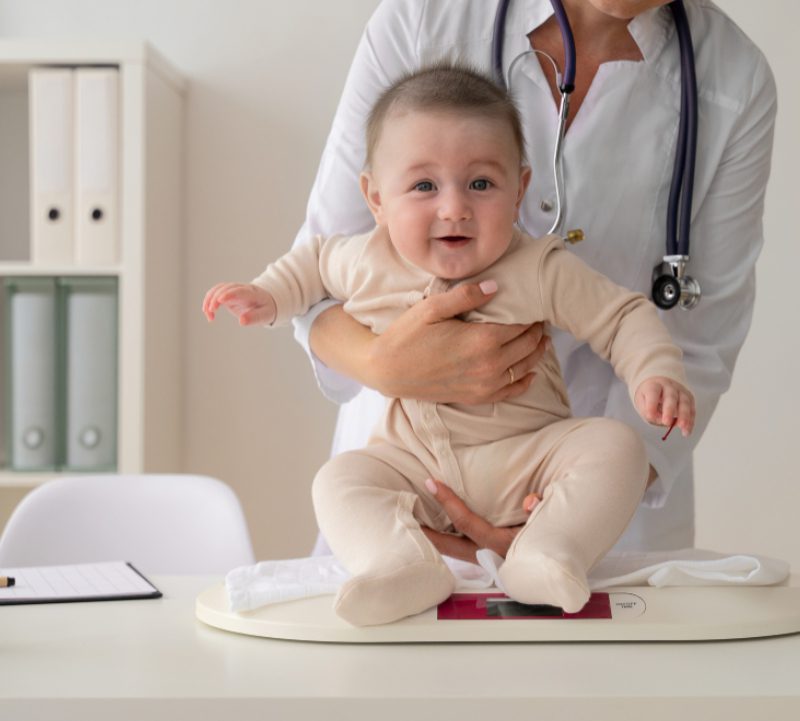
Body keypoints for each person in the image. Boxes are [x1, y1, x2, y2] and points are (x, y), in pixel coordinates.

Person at [204, 63, 695, 625]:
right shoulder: (365, 259)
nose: (454, 207)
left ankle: (547, 551)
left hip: (527, 460)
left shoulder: (539, 267)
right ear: (375, 198)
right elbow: (310, 264)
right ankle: (402, 564)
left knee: (617, 447)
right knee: (340, 480)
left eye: (481, 183)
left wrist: (655, 372)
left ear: (520, 190)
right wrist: (267, 295)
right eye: (423, 186)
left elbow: (623, 315)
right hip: (416, 468)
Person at [286, 0, 777, 559]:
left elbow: (696, 343)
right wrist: (382, 364)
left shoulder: (733, 79)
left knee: (571, 602)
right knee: (387, 582)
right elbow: (321, 271)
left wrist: (562, 520)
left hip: (591, 523)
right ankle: (397, 568)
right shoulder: (425, 17)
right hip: (409, 488)